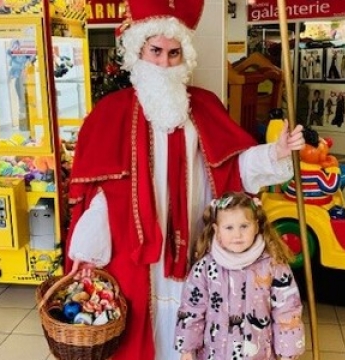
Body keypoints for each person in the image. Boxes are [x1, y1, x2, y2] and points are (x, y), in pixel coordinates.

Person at [64, 0, 305, 359]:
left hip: (197, 242)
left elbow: (233, 169)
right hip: (137, 252)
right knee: (140, 330)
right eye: (156, 51)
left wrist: (277, 151)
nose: (164, 63)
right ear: (138, 51)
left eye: (174, 53)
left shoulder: (205, 106)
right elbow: (98, 194)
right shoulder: (109, 114)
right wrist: (87, 249)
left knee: (199, 319)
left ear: (184, 56)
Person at [174, 192, 305, 360]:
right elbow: (192, 309)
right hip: (214, 355)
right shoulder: (205, 268)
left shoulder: (274, 266)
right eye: (229, 227)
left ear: (257, 226)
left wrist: (289, 352)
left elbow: (287, 310)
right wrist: (187, 349)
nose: (237, 235)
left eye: (244, 226)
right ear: (217, 230)